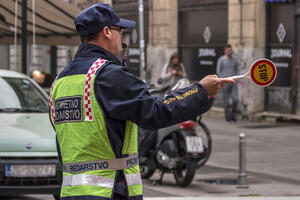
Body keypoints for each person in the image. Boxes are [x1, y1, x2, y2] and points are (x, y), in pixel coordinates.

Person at [48, 4, 234, 200]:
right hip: (110, 192)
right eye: (120, 30)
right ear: (107, 32)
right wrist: (200, 91)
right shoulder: (108, 75)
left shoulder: (59, 81)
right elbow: (155, 112)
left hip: (71, 194)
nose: (123, 36)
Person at [216, 44, 239, 122]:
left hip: (233, 83)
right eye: (228, 50)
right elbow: (218, 71)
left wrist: (237, 78)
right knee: (226, 101)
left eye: (230, 50)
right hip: (225, 82)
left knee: (236, 100)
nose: (229, 52)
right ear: (225, 51)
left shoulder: (235, 59)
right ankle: (228, 117)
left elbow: (237, 69)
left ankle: (232, 115)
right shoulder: (221, 59)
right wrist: (223, 79)